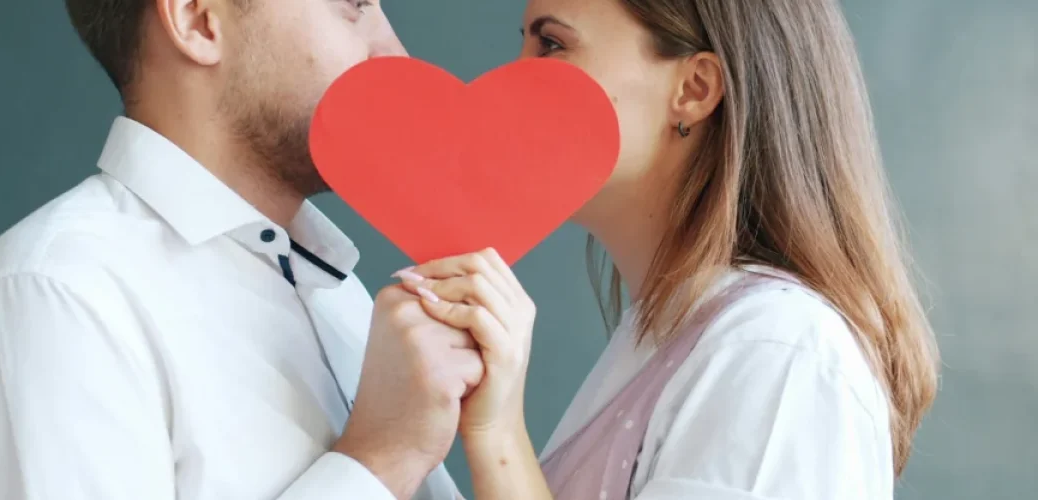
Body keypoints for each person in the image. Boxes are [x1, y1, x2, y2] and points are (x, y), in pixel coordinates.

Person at [0, 1, 478, 499]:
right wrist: (381, 460)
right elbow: (385, 462)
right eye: (352, 2)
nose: (396, 56)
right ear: (197, 21)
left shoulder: (342, 300)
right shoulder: (55, 299)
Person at [390, 0, 941, 499]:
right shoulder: (674, 335)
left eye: (552, 44)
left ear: (695, 89)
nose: (505, 79)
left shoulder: (779, 353)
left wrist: (499, 436)